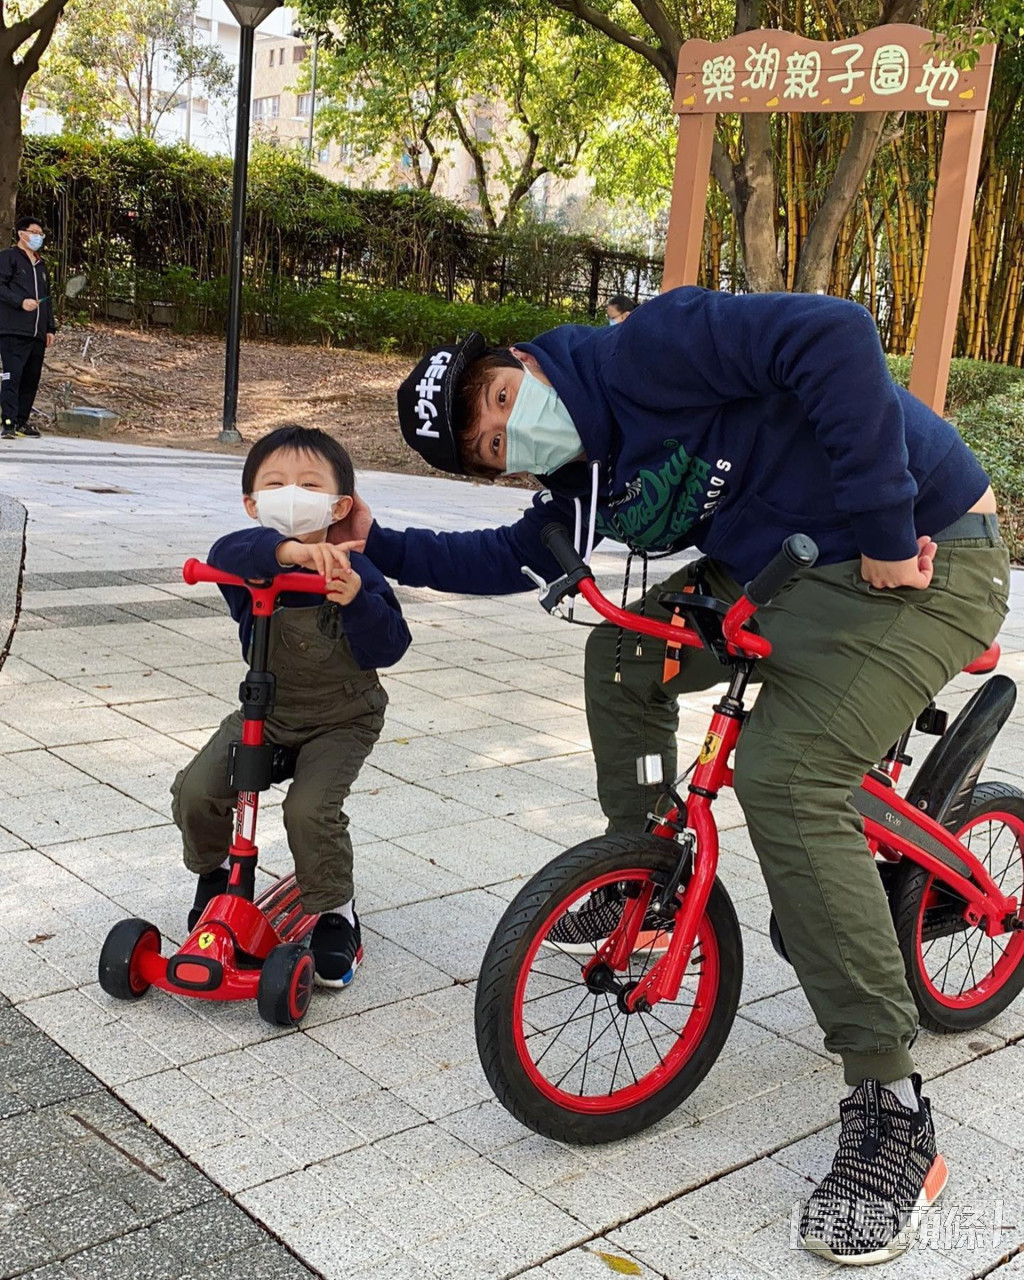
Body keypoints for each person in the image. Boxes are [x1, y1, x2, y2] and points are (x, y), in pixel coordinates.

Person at [328, 288, 1010, 1263]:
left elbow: (833, 333)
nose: (506, 429)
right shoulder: (584, 472)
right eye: (487, 445)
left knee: (784, 776)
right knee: (623, 655)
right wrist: (378, 543)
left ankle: (888, 1101)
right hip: (782, 568)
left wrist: (888, 531)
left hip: (925, 553)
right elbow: (524, 555)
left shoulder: (650, 350)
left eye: (496, 395)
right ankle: (651, 880)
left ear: (520, 358)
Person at [171, 425, 410, 988]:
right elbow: (223, 552)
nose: (292, 494)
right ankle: (215, 876)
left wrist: (357, 602)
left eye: (309, 485)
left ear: (339, 505)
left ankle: (335, 912)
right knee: (197, 790)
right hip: (267, 713)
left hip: (342, 717)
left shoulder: (358, 567)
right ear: (254, 503)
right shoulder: (249, 563)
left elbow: (391, 646)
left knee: (309, 811)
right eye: (276, 485)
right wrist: (292, 552)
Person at [0, 217, 55, 440]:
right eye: (34, 232)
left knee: (31, 378)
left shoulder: (41, 265)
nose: (38, 237)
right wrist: (20, 302)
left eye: (41, 234)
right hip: (13, 330)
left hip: (37, 333)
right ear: (22, 233)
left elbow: (47, 299)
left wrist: (50, 328)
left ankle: (22, 420)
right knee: (12, 376)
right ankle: (8, 422)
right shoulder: (8, 258)